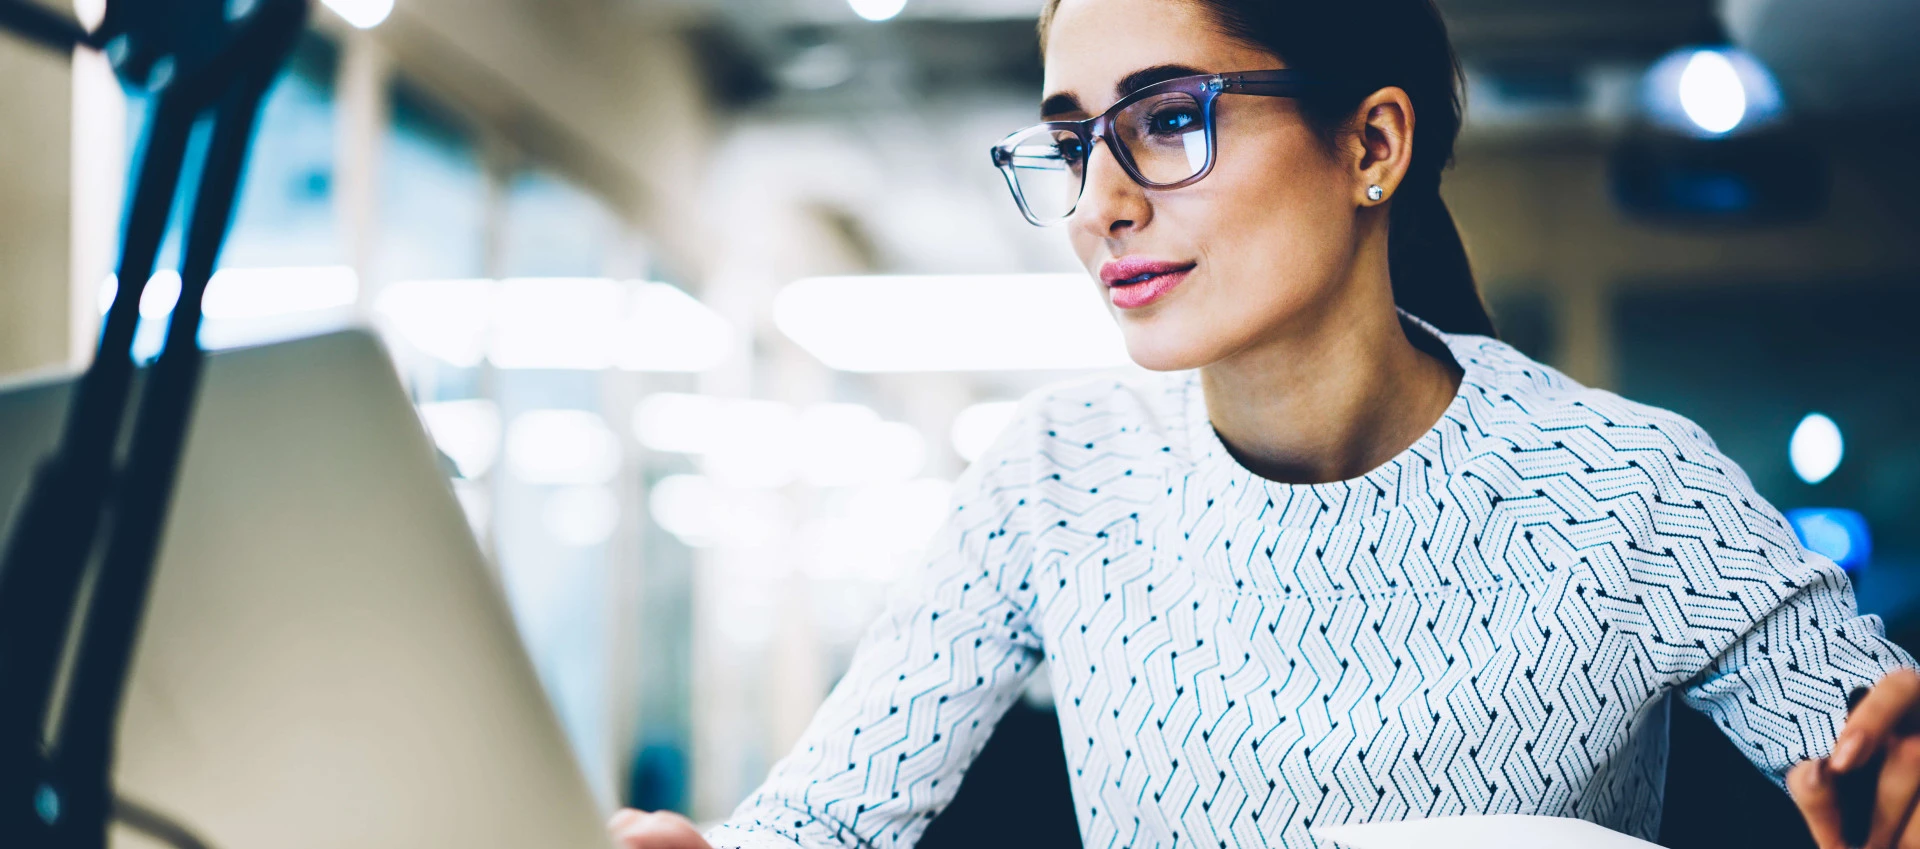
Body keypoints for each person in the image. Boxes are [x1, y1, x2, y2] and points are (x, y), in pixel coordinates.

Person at [610, 1, 1920, 847]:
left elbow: (1881, 771)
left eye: (1169, 120)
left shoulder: (1630, 492)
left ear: (1372, 148)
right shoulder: (1056, 483)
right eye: (1073, 143)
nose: (1098, 205)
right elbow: (829, 823)